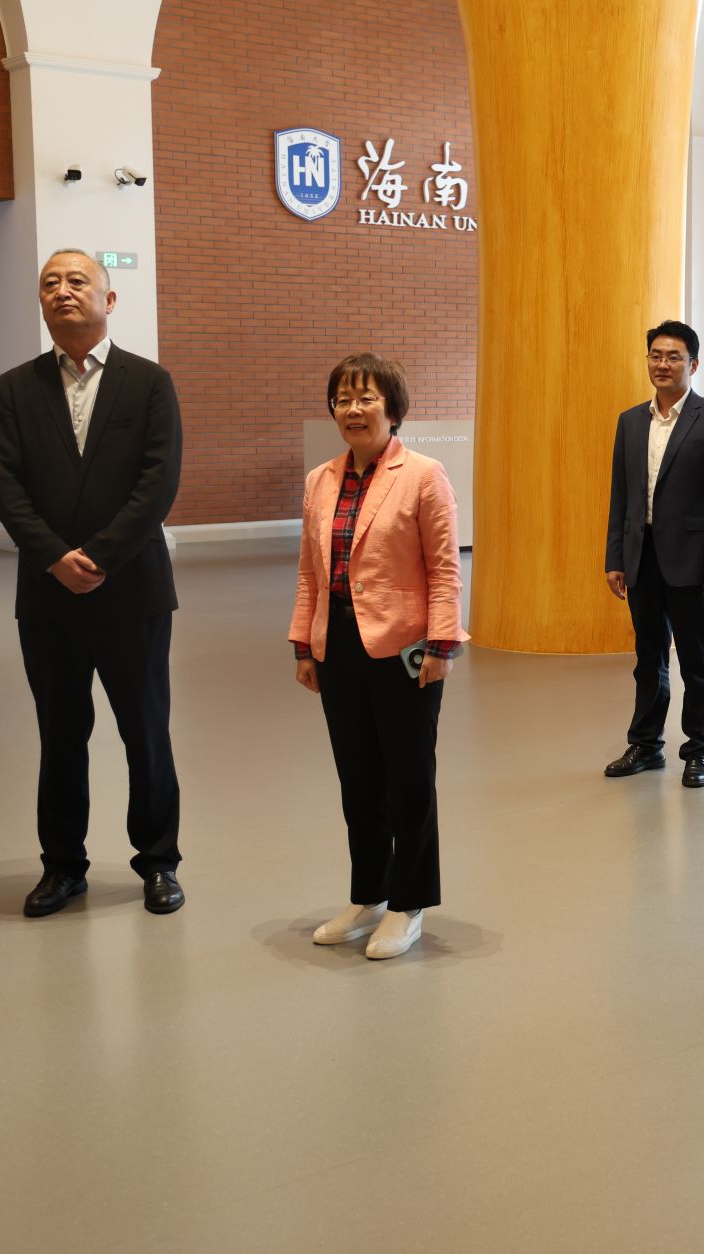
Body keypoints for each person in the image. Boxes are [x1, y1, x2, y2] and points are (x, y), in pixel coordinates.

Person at [0, 249, 186, 918]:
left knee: (145, 731)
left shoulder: (148, 382)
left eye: (78, 281)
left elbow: (158, 481)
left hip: (132, 591)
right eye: (50, 283)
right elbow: (5, 486)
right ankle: (63, 867)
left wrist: (98, 557)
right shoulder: (15, 388)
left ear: (109, 299)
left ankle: (158, 862)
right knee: (61, 735)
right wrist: (54, 558)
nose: (63, 291)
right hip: (48, 597)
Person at [289, 353, 465, 961]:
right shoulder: (320, 480)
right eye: (342, 398)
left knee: (409, 780)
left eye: (366, 397)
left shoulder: (423, 475)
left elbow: (445, 569)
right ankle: (368, 894)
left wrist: (442, 645)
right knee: (358, 780)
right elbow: (310, 571)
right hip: (337, 647)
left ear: (393, 408)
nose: (353, 409)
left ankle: (409, 903)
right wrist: (304, 644)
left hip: (404, 651)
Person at [603, 322, 704, 789]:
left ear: (693, 365)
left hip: (695, 563)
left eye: (674, 357)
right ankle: (646, 744)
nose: (663, 364)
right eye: (656, 355)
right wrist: (616, 557)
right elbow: (621, 496)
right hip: (642, 558)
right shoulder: (630, 421)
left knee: (698, 662)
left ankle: (699, 750)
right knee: (648, 658)